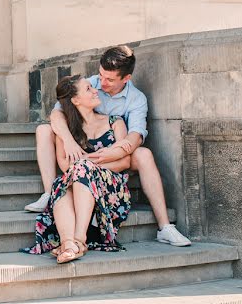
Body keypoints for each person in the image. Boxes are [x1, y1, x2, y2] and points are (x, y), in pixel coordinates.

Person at [24, 45, 192, 247]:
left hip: (114, 153)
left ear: (126, 79)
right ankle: (49, 192)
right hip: (81, 155)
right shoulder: (90, 84)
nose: (101, 83)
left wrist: (112, 152)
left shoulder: (136, 99)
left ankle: (165, 227)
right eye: (101, 75)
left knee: (144, 154)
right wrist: (68, 140)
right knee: (44, 130)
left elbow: (136, 136)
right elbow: (57, 114)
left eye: (109, 80)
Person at [22, 75, 131, 262]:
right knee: (61, 184)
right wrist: (83, 166)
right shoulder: (67, 130)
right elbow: (64, 165)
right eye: (88, 89)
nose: (96, 90)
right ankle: (69, 244)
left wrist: (89, 165)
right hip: (79, 185)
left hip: (111, 190)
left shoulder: (115, 121)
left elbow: (125, 162)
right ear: (75, 100)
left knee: (81, 169)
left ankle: (80, 239)